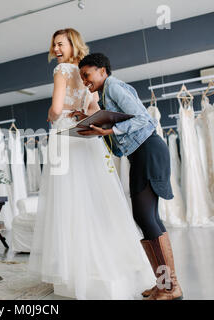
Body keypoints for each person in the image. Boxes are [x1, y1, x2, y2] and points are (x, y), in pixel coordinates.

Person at [28, 28, 155, 300]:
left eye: (60, 44)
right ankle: (108, 261)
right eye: (54, 45)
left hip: (65, 134)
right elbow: (93, 110)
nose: (57, 49)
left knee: (67, 200)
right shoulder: (87, 74)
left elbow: (56, 106)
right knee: (96, 197)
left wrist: (52, 115)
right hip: (87, 134)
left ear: (72, 44)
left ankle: (74, 269)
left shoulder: (62, 70)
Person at [75, 52, 183, 300]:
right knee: (146, 217)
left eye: (87, 74)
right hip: (140, 153)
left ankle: (172, 287)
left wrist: (109, 129)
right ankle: (164, 284)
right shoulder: (104, 94)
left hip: (148, 150)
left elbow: (143, 118)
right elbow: (118, 124)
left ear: (102, 70)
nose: (85, 81)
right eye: (82, 77)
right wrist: (90, 122)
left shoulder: (114, 86)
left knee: (146, 217)